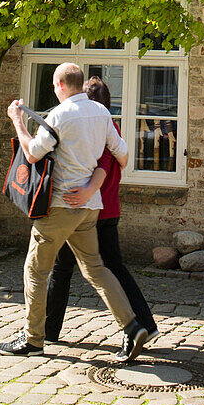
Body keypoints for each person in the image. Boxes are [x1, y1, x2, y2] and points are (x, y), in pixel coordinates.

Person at [0, 62, 149, 362]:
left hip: (60, 207)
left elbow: (32, 152)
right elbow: (122, 154)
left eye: (54, 86)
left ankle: (33, 338)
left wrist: (17, 120)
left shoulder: (59, 115)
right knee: (96, 269)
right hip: (89, 208)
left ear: (61, 85)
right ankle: (132, 326)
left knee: (36, 269)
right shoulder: (102, 113)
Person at [45, 76, 157, 344]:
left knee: (64, 270)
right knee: (105, 269)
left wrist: (85, 192)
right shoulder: (109, 129)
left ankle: (48, 331)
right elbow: (121, 159)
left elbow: (103, 168)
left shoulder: (98, 133)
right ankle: (144, 324)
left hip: (88, 211)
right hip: (103, 211)